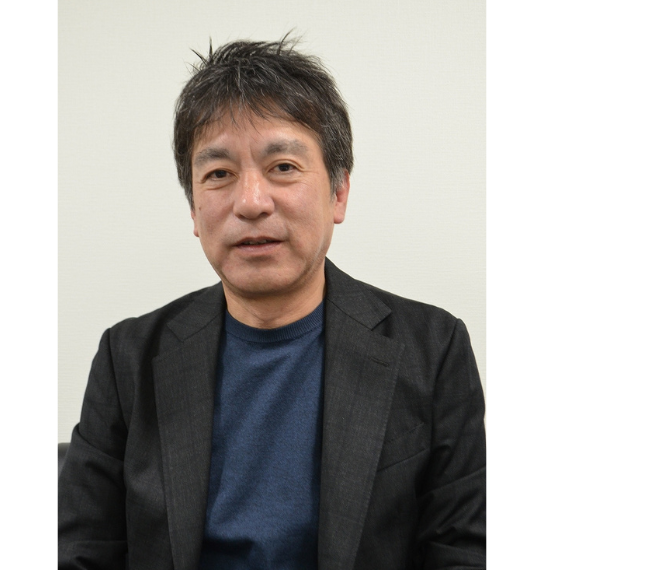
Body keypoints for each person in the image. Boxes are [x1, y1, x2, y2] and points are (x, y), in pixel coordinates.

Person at [59, 37, 486, 570]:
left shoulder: (432, 350)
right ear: (193, 209)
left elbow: (463, 551)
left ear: (338, 192)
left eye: (282, 166)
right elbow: (81, 553)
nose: (251, 202)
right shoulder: (128, 358)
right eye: (219, 174)